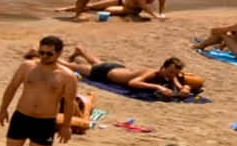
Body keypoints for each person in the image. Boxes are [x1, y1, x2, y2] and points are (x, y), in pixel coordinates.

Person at [0, 35, 79, 146]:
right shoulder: (27, 67)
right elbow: (12, 87)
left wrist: (66, 126)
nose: (43, 57)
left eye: (49, 54)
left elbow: (70, 103)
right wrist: (3, 109)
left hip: (45, 121)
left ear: (59, 54)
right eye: (41, 52)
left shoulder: (67, 76)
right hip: (22, 116)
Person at [67, 51, 203, 100]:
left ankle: (81, 52)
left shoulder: (170, 75)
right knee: (72, 67)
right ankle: (54, 60)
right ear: (163, 67)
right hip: (106, 73)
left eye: (175, 73)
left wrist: (185, 89)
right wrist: (158, 87)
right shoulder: (152, 73)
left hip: (118, 69)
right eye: (170, 72)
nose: (172, 75)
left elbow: (178, 85)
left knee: (98, 63)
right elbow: (132, 83)